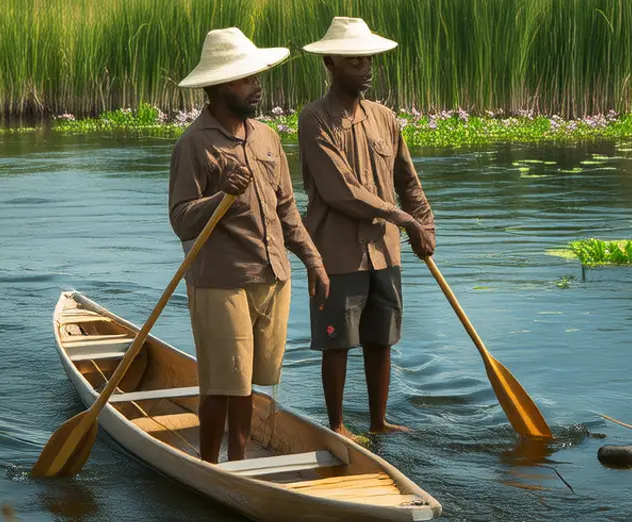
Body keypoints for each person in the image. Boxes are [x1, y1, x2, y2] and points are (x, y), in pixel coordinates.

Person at [169, 27, 329, 463]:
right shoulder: (194, 144)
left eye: (257, 77)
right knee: (224, 383)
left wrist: (313, 259)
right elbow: (181, 220)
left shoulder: (267, 138)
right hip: (221, 282)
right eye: (248, 79)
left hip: (272, 276)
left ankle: (237, 465)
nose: (258, 86)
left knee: (249, 384)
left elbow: (287, 210)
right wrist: (222, 196)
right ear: (221, 85)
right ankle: (210, 467)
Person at [297, 17, 436, 438]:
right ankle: (337, 425)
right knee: (337, 341)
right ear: (331, 65)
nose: (366, 68)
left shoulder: (385, 118)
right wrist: (406, 220)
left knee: (381, 339)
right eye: (355, 61)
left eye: (368, 60)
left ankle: (378, 422)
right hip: (337, 253)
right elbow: (343, 191)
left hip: (385, 251)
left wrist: (425, 223)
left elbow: (406, 180)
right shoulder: (314, 119)